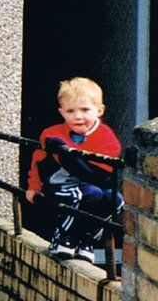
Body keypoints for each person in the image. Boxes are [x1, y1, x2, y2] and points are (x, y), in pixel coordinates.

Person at [25, 77, 123, 262]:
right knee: (80, 194)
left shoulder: (106, 137)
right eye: (70, 111)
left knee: (115, 199)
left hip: (91, 182)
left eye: (85, 110)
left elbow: (102, 173)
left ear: (99, 110)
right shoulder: (52, 134)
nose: (78, 116)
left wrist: (67, 154)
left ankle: (87, 240)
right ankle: (62, 237)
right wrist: (34, 186)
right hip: (60, 183)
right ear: (62, 113)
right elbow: (37, 162)